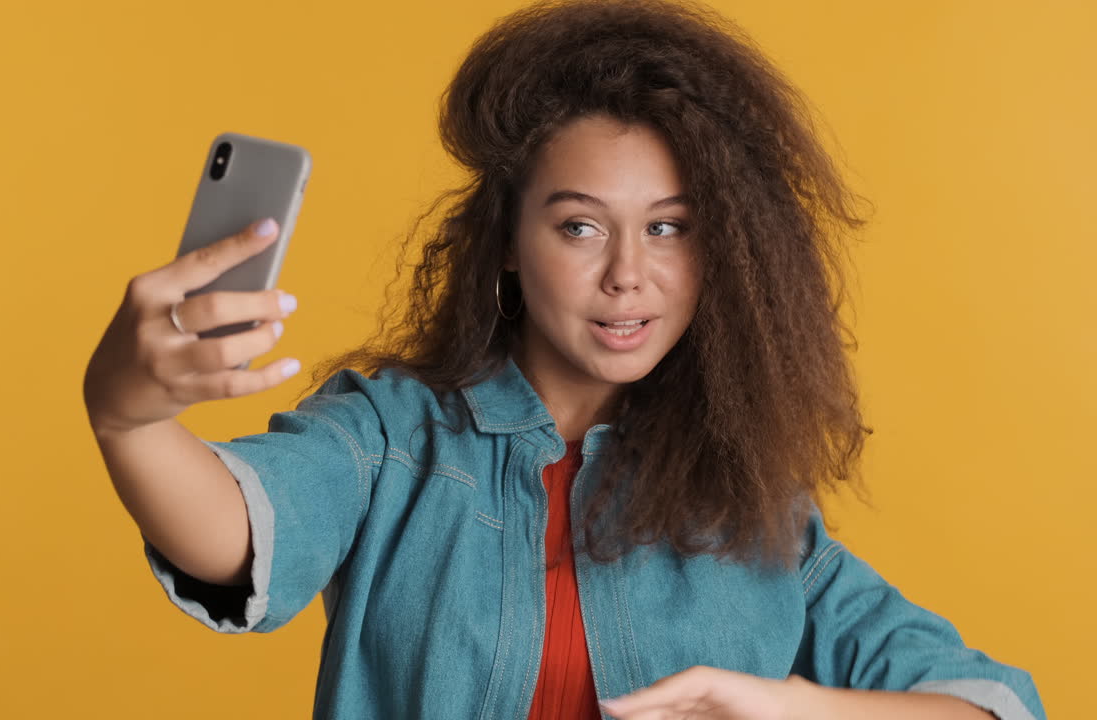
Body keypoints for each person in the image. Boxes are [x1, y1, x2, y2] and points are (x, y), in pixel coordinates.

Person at [83, 0, 1045, 718]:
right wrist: (129, 418)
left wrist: (787, 702)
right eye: (581, 226)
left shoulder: (751, 506)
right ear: (507, 239)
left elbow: (990, 704)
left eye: (670, 228)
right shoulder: (389, 440)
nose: (629, 275)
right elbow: (235, 534)